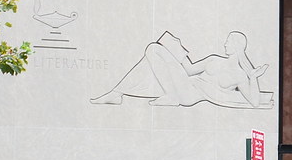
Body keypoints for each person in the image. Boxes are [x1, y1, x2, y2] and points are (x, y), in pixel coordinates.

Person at [92, 31, 270, 108]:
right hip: (185, 82)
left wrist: (253, 78)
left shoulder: (239, 75)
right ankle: (117, 93)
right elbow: (190, 70)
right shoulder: (214, 59)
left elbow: (254, 102)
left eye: (229, 41)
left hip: (189, 95)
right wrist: (177, 49)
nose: (225, 43)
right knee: (153, 49)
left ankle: (118, 93)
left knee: (153, 52)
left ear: (238, 46)